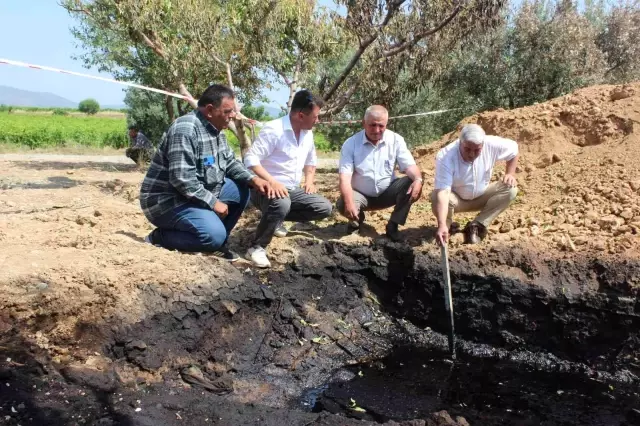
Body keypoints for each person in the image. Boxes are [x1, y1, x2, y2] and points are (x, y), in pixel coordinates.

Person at [139, 84, 270, 261]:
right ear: (209, 110)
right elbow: (182, 180)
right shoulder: (185, 130)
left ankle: (218, 242)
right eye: (228, 111)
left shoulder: (216, 131)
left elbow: (230, 162)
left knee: (242, 187)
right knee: (211, 236)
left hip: (193, 194)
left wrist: (253, 179)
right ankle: (161, 237)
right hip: (167, 201)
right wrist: (213, 202)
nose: (232, 116)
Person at [243, 90, 333, 268]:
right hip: (264, 188)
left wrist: (309, 180)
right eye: (315, 116)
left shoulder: (308, 134)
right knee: (281, 203)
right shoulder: (274, 130)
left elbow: (311, 161)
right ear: (301, 115)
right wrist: (271, 181)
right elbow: (250, 159)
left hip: (292, 190)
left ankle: (275, 221)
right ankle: (256, 247)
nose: (318, 120)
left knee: (324, 207)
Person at [337, 105, 424, 241]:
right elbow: (344, 179)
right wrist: (349, 202)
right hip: (361, 196)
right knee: (343, 203)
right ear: (363, 123)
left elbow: (409, 166)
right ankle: (355, 222)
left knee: (411, 183)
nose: (377, 130)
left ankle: (393, 226)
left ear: (386, 124)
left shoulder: (396, 140)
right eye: (372, 125)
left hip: (387, 193)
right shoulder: (351, 144)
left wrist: (418, 180)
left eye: (381, 126)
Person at [431, 123, 519, 245]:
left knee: (510, 189)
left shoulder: (492, 144)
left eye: (477, 150)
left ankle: (477, 226)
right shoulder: (446, 156)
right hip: (456, 200)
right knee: (437, 195)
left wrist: (510, 173)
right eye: (467, 149)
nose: (472, 154)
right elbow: (443, 192)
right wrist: (441, 225)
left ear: (483, 144)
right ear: (460, 143)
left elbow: (514, 149)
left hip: (483, 195)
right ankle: (447, 228)